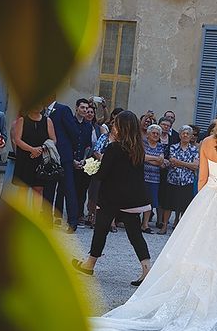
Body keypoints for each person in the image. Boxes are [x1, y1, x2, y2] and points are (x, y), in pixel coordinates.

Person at [89, 99, 217, 331]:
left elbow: (202, 179)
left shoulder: (206, 142)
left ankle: (197, 297)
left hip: (207, 199)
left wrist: (204, 205)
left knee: (198, 248)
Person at [72, 111, 152, 285]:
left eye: (116, 124)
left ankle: (90, 264)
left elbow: (103, 174)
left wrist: (91, 167)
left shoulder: (114, 147)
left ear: (121, 127)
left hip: (111, 197)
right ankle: (147, 268)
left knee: (101, 230)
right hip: (132, 198)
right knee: (135, 234)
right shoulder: (138, 148)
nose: (113, 127)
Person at [12, 107, 56, 212]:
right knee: (23, 189)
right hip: (25, 159)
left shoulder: (48, 121)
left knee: (38, 189)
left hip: (40, 159)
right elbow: (17, 139)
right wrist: (32, 149)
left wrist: (41, 149)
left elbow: (53, 139)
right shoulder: (22, 120)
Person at [45, 98, 80, 231]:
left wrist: (69, 150)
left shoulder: (63, 109)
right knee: (48, 189)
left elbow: (74, 132)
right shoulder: (42, 111)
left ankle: (72, 222)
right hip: (49, 156)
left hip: (64, 156)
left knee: (68, 189)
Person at [159, 126, 199, 235]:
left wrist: (179, 162)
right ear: (180, 135)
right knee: (168, 205)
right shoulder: (173, 147)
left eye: (188, 134)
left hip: (187, 181)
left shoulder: (194, 149)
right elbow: (172, 161)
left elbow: (195, 166)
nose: (185, 135)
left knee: (184, 206)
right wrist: (187, 165)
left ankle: (180, 229)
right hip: (173, 179)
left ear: (191, 136)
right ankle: (164, 226)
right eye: (183, 133)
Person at [73, 98, 95, 226]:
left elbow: (88, 145)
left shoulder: (89, 126)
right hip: (72, 160)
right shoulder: (70, 121)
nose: (85, 111)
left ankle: (80, 214)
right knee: (71, 189)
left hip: (84, 161)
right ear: (77, 108)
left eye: (87, 108)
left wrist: (84, 159)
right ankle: (72, 214)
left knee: (82, 189)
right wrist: (73, 159)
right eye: (83, 108)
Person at [141, 124, 165, 233]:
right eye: (153, 133)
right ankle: (136, 223)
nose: (155, 135)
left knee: (150, 203)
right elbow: (141, 157)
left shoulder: (160, 146)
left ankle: (145, 224)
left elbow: (161, 162)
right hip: (142, 177)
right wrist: (155, 159)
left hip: (154, 179)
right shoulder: (143, 144)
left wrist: (148, 159)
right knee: (139, 200)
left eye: (157, 134)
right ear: (148, 134)